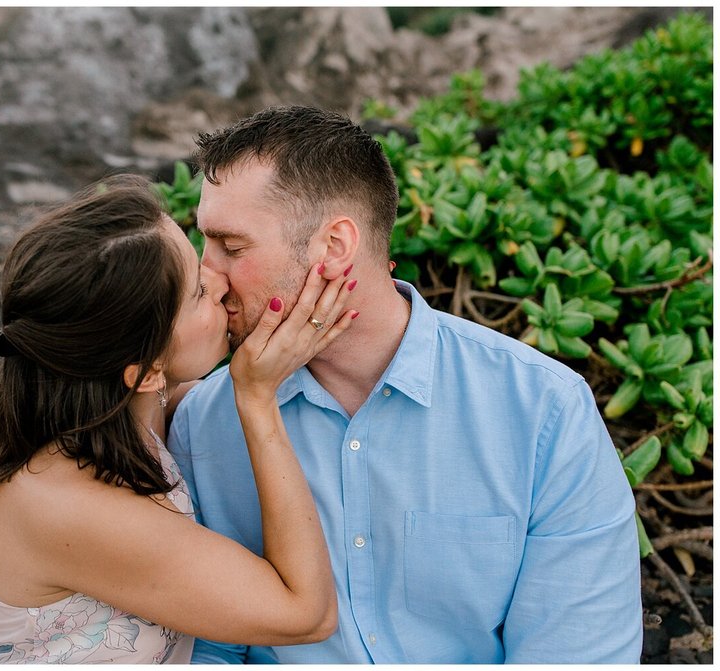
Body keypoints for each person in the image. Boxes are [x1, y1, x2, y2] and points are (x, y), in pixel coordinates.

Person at [168, 106, 644, 664]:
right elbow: (209, 648)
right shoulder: (205, 425)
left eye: (232, 246)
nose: (208, 273)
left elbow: (577, 654)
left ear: (335, 247)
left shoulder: (543, 412)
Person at [0, 174, 359, 664]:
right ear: (147, 369)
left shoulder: (120, 415)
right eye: (196, 292)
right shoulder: (66, 503)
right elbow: (305, 615)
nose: (218, 280)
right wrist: (256, 398)